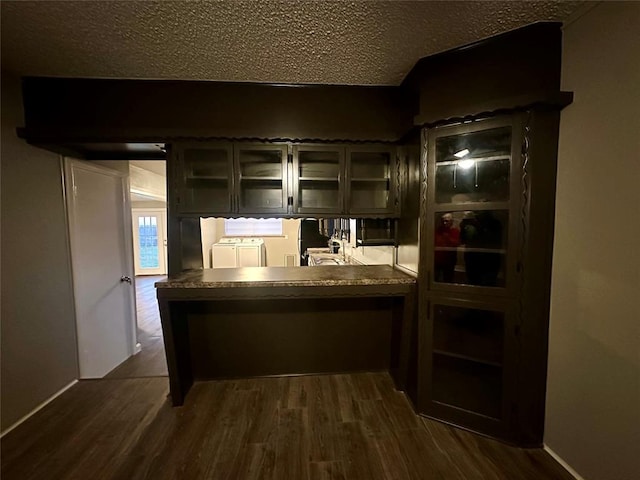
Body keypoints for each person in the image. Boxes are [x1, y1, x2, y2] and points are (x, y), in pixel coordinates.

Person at [434, 213, 460, 283]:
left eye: (447, 221)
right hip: (437, 259)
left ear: (451, 221)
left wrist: (448, 239)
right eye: (443, 221)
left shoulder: (455, 231)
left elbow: (457, 244)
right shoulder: (438, 230)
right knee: (435, 279)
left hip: (449, 260)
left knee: (448, 279)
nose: (444, 223)